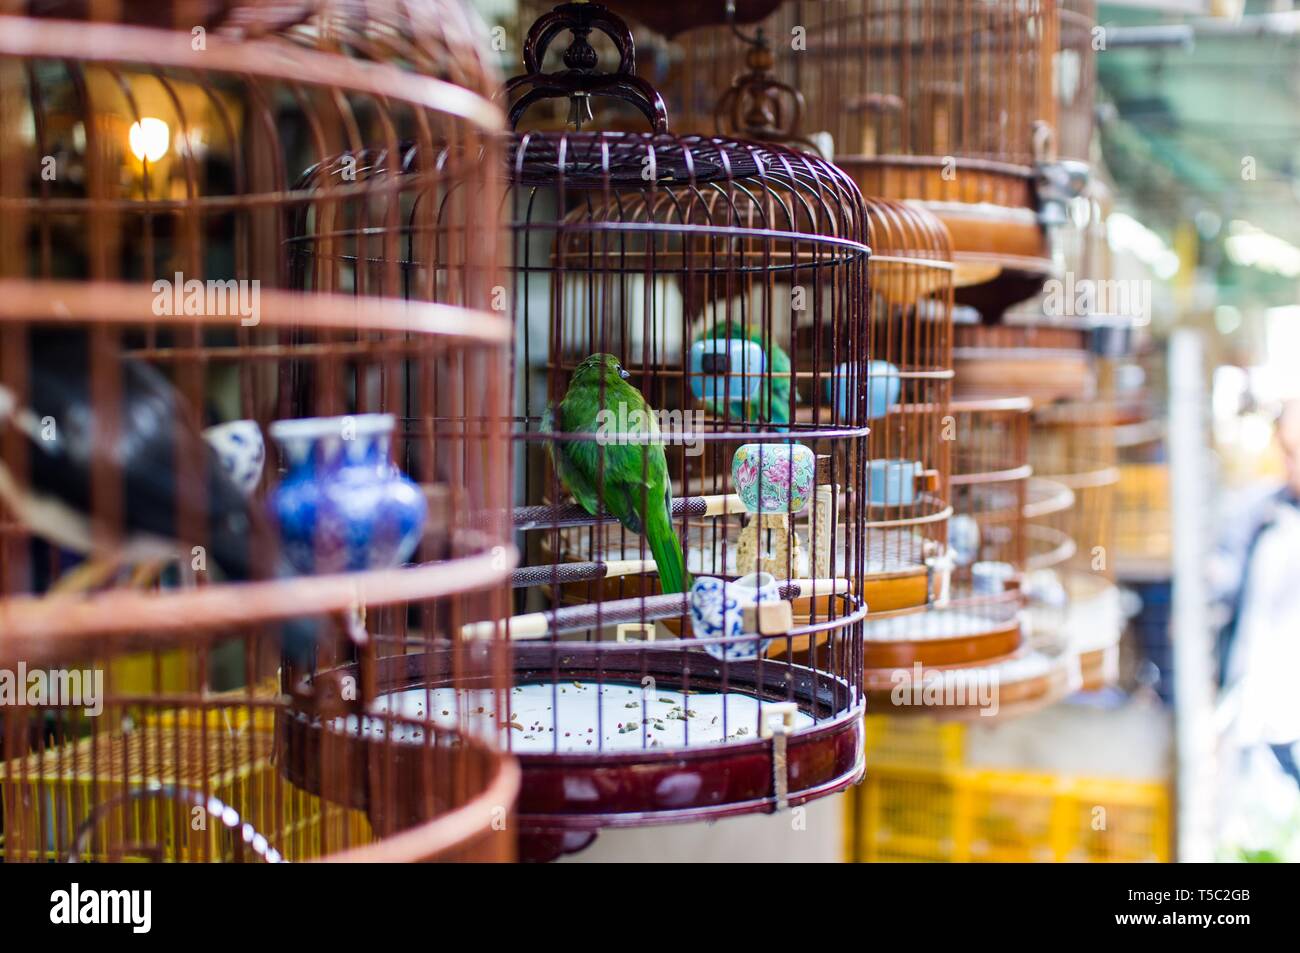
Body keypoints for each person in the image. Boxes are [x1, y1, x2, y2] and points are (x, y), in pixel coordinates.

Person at [1212, 399, 1300, 788]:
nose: (1293, 466)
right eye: (1289, 452)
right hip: (1259, 718)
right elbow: (1223, 583)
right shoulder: (1263, 513)